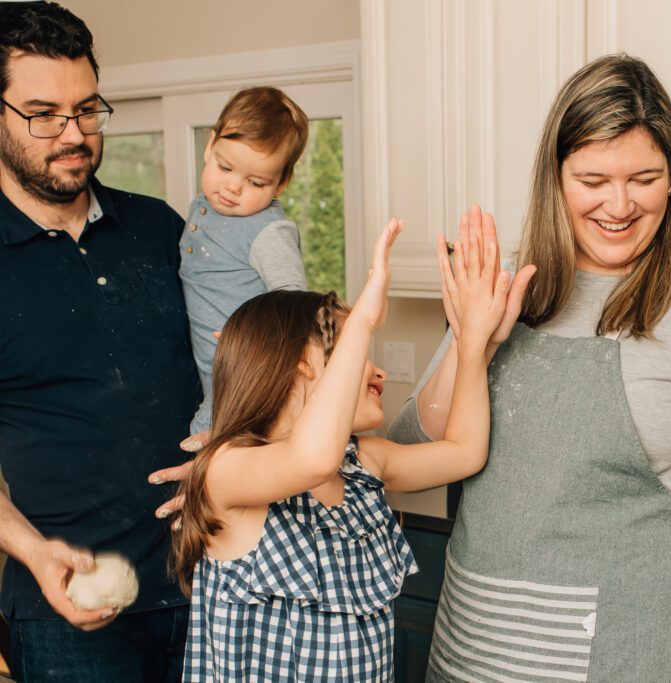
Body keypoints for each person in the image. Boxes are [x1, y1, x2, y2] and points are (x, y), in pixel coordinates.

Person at [389, 53, 671, 680]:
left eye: (644, 177)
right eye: (593, 180)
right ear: (555, 178)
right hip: (477, 646)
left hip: (625, 652)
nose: (619, 205)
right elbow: (405, 453)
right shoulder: (508, 284)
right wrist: (472, 341)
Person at [174, 219, 530, 680]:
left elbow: (464, 451)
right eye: (353, 352)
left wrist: (475, 342)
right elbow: (309, 458)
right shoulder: (227, 470)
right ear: (304, 364)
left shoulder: (363, 463)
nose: (377, 371)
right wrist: (361, 317)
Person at [0, 2, 199, 680]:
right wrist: (33, 551)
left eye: (87, 108)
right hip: (67, 613)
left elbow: (232, 365)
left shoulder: (159, 228)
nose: (73, 132)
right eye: (43, 113)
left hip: (212, 591)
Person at [180, 86, 309, 436]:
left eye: (255, 182)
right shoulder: (200, 206)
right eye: (225, 167)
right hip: (207, 367)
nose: (233, 187)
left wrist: (256, 338)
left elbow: (293, 300)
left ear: (281, 184)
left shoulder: (267, 231)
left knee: (211, 438)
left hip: (244, 371)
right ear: (209, 147)